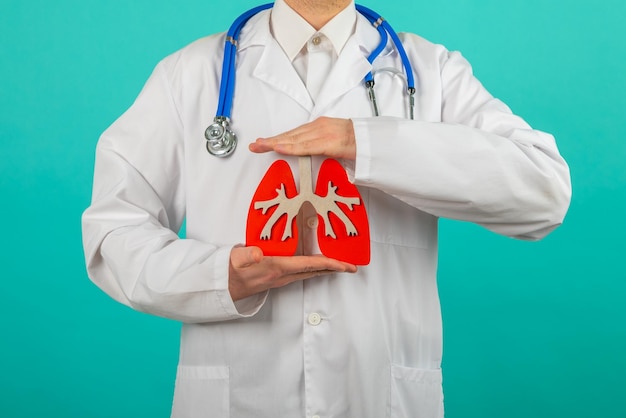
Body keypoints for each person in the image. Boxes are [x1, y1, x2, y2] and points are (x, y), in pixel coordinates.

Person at [81, 0, 571, 416]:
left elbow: (544, 191)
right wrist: (216, 276)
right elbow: (112, 232)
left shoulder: (430, 71)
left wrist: (367, 143)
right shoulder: (190, 77)